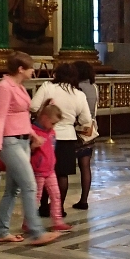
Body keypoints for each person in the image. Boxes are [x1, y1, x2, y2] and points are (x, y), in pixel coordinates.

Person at [0, 51, 59, 246]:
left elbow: (20, 117)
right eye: (30, 68)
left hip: (22, 141)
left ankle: (1, 231)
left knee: (13, 190)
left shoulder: (18, 87)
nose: (33, 71)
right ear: (20, 69)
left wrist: (33, 134)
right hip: (9, 142)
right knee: (30, 185)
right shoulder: (3, 88)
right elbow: (0, 118)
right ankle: (37, 232)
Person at [30, 62, 92, 216]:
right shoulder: (79, 94)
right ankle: (59, 208)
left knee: (44, 172)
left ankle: (44, 207)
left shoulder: (47, 87)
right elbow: (86, 120)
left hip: (45, 136)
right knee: (62, 174)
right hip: (68, 137)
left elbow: (33, 106)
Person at [28, 102, 71, 232]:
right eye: (52, 123)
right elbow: (26, 151)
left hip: (50, 170)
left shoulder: (51, 132)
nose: (53, 126)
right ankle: (28, 222)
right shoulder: (33, 132)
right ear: (44, 118)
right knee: (36, 197)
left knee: (56, 195)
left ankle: (57, 220)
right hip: (38, 170)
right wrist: (33, 147)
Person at [73, 60, 98, 210]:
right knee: (85, 166)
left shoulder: (78, 88)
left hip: (77, 129)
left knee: (64, 167)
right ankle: (84, 200)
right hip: (90, 129)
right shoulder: (94, 87)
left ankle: (57, 203)